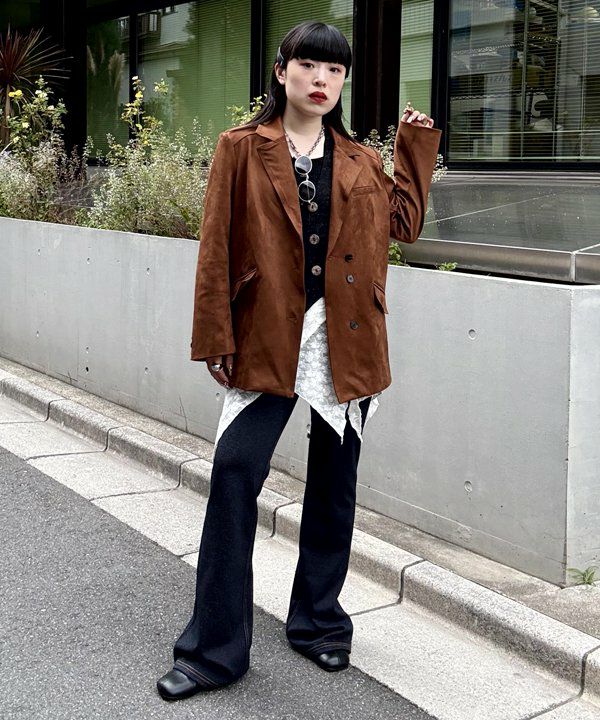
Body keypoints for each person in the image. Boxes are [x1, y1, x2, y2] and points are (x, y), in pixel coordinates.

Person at [157, 20, 441, 702]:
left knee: (334, 486)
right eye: (310, 64)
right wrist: (215, 335)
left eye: (335, 69)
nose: (322, 79)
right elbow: (215, 246)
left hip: (348, 341)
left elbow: (404, 225)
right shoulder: (240, 148)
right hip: (265, 338)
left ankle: (318, 622)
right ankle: (213, 650)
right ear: (282, 70)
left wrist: (414, 146)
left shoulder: (360, 159)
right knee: (234, 474)